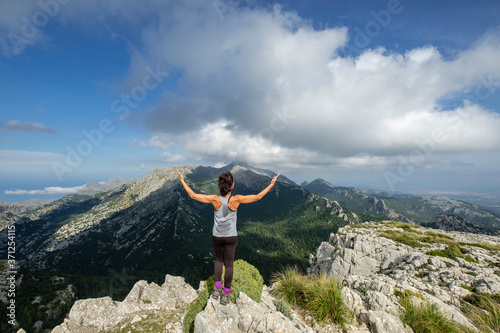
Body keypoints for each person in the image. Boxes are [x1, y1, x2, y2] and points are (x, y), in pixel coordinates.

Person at [176, 169, 279, 305]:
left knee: (218, 260)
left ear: (220, 186)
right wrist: (271, 184)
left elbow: (193, 196)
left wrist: (182, 180)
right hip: (231, 236)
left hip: (217, 235)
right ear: (232, 185)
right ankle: (226, 294)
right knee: (229, 265)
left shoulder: (214, 199)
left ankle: (216, 290)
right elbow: (258, 196)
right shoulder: (236, 200)